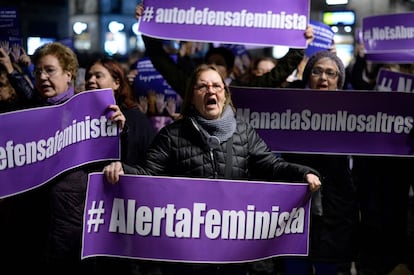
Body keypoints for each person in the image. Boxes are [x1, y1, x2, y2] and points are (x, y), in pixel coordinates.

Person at [102, 63, 322, 275]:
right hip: (186, 252)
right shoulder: (172, 135)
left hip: (232, 249)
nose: (211, 90)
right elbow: (148, 175)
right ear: (192, 96)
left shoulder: (243, 133)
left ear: (225, 94)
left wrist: (303, 173)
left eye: (217, 86)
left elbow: (272, 166)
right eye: (202, 86)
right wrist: (123, 171)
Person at [0, 42, 126, 274]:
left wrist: (118, 133)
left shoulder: (93, 114)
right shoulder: (24, 113)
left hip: (73, 229)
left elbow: (107, 166)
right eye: (38, 71)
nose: (42, 77)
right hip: (31, 228)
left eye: (50, 70)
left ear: (69, 74)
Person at [282, 50, 359, 275]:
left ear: (339, 81)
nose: (323, 78)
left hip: (334, 209)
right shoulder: (288, 109)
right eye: (316, 71)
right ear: (308, 77)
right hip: (295, 203)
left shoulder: (354, 116)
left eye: (330, 73)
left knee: (327, 265)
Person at [84, 57, 156, 166]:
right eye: (88, 76)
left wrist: (123, 133)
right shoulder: (80, 116)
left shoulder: (134, 117)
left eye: (98, 76)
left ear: (116, 83)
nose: (91, 80)